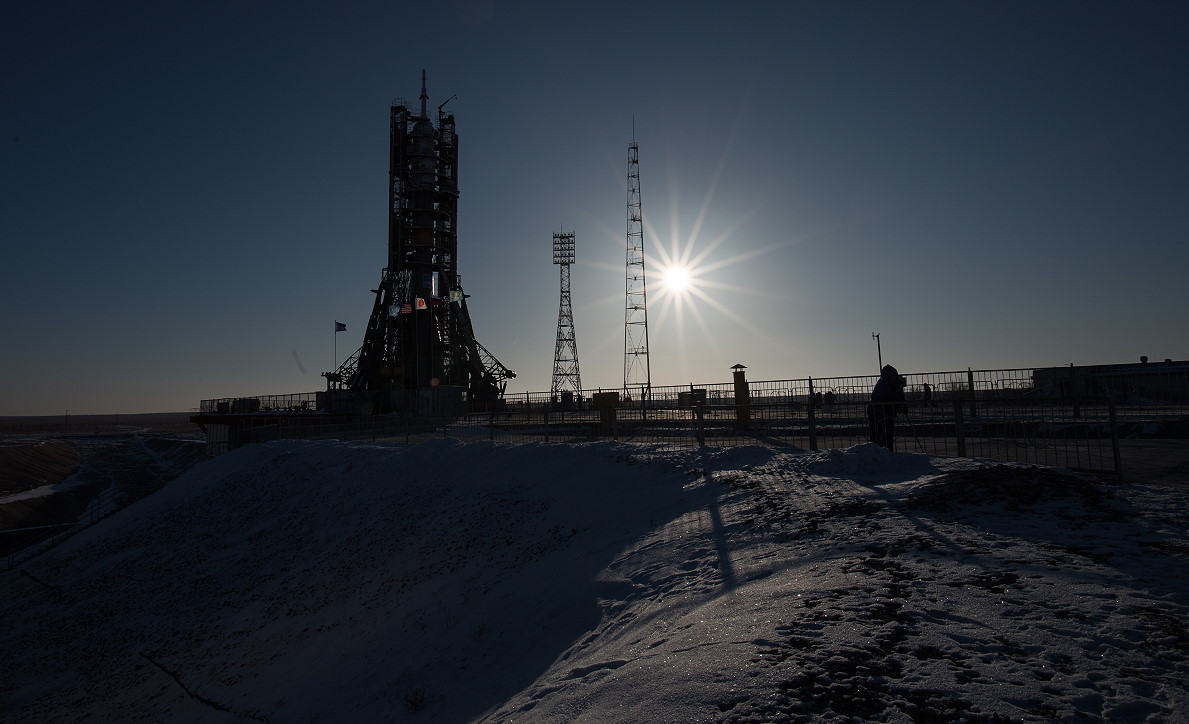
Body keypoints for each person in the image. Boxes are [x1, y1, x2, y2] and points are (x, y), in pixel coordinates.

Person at [867, 364, 907, 451]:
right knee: (879, 434)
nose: (894, 378)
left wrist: (902, 405)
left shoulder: (894, 384)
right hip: (879, 413)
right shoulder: (883, 385)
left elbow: (898, 396)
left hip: (887, 414)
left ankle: (887, 451)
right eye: (893, 376)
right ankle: (878, 452)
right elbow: (883, 398)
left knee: (887, 434)